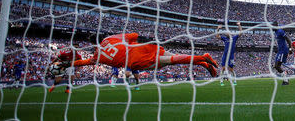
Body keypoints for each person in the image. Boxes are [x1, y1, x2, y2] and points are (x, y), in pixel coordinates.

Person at [72, 33, 218, 80]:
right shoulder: (110, 38)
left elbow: (86, 62)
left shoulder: (97, 56)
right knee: (175, 56)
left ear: (91, 44)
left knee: (169, 61)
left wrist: (70, 64)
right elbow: (134, 35)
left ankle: (203, 57)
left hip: (136, 60)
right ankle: (203, 63)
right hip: (141, 48)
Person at [216, 22, 242, 86]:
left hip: (231, 56)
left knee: (231, 69)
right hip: (225, 55)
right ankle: (221, 81)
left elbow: (241, 32)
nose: (226, 33)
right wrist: (218, 29)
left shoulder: (234, 38)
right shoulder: (224, 38)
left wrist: (239, 25)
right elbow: (217, 36)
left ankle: (235, 80)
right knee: (223, 68)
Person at [272, 21, 292, 86]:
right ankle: (285, 77)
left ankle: (286, 80)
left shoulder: (280, 31)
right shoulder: (275, 32)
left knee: (277, 66)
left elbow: (288, 40)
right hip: (280, 51)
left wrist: (290, 48)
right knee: (276, 66)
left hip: (283, 51)